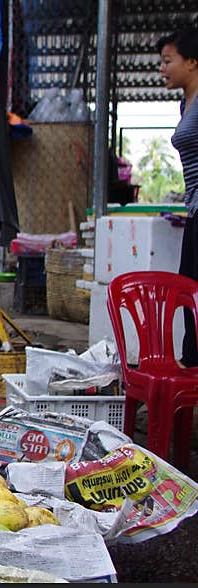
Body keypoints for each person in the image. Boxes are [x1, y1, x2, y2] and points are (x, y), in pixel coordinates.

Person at [157, 28, 198, 366]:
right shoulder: (186, 102)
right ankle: (192, 364)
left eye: (168, 61)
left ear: (193, 61)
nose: (163, 68)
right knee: (188, 290)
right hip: (195, 211)